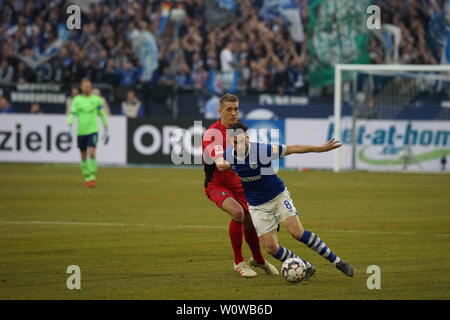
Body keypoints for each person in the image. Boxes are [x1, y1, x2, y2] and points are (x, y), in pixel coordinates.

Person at [218, 121, 355, 279]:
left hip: (277, 196)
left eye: (241, 140)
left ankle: (338, 262)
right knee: (270, 248)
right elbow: (223, 165)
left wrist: (320, 149)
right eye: (234, 141)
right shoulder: (228, 155)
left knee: (297, 232)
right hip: (257, 206)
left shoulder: (263, 150)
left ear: (247, 138)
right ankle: (305, 266)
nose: (238, 144)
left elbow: (293, 148)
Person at [202, 93, 278, 277]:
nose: (234, 113)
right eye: (229, 109)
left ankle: (258, 260)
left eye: (236, 108)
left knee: (251, 222)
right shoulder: (213, 134)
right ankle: (238, 262)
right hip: (217, 184)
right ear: (219, 110)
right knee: (237, 212)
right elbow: (220, 164)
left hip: (240, 184)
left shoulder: (240, 132)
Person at [67, 78, 109, 188]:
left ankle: (92, 177)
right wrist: (69, 126)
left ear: (91, 87)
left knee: (92, 152)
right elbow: (72, 114)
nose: (86, 88)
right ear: (81, 87)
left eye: (88, 86)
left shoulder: (97, 100)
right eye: (84, 86)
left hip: (93, 130)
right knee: (83, 156)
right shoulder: (77, 100)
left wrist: (107, 129)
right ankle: (86, 177)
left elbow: (102, 114)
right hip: (81, 131)